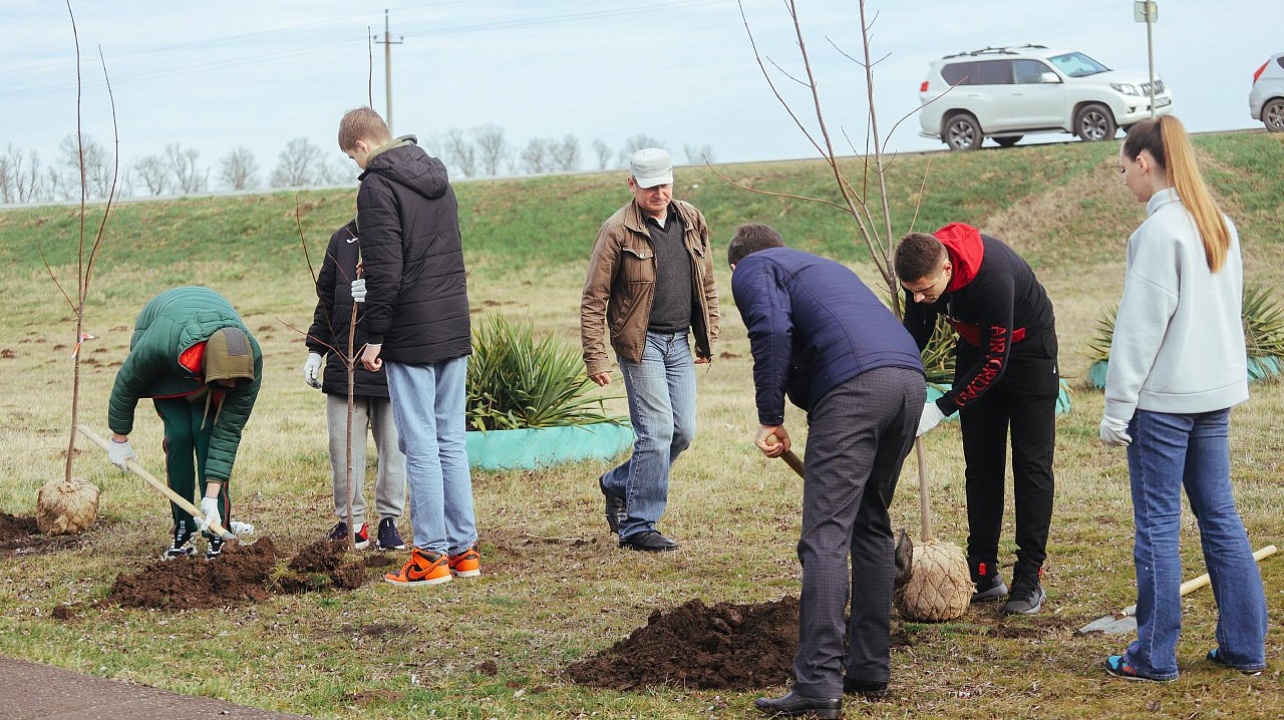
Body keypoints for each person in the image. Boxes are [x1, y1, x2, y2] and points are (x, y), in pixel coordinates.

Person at [728, 224, 924, 718]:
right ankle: (869, 668)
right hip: (907, 383)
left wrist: (770, 416)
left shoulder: (754, 266)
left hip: (855, 389)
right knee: (870, 523)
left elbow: (771, 331)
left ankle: (817, 681)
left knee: (825, 536)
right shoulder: (821, 265)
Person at [1100, 115, 1266, 682]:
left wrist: (1116, 409)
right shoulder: (1217, 222)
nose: (1124, 180)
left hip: (1164, 402)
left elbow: (1139, 329)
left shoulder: (1158, 232)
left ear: (1144, 163)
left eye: (1124, 168)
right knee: (1220, 517)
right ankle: (1244, 647)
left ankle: (1152, 655)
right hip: (1213, 393)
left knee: (1158, 525)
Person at [337, 106, 478, 586]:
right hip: (452, 323)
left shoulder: (376, 186)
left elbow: (385, 270)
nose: (356, 168)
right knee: (450, 441)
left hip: (411, 332)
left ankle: (430, 556)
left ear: (361, 146)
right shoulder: (437, 175)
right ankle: (464, 552)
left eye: (352, 159)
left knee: (418, 443)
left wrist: (375, 337)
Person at [895, 221, 1059, 615]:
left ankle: (1029, 577)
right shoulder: (920, 269)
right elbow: (915, 330)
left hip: (1027, 352)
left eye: (925, 290)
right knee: (981, 464)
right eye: (912, 290)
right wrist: (896, 369)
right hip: (976, 347)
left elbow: (995, 363)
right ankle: (983, 571)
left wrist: (942, 407)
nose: (919, 299)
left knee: (1031, 465)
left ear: (947, 270)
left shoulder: (992, 277)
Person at [580, 147, 720, 552]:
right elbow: (594, 297)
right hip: (641, 346)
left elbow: (705, 282)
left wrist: (707, 336)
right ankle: (639, 525)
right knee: (656, 432)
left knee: (683, 432)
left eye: (664, 184)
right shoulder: (617, 230)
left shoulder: (691, 219)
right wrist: (595, 355)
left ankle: (619, 482)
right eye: (650, 187)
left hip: (679, 342)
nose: (659, 193)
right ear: (632, 185)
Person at [106, 286, 262, 560]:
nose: (234, 387)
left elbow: (227, 434)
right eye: (227, 384)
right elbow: (127, 381)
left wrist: (211, 498)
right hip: (168, 357)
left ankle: (217, 527)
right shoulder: (158, 344)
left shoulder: (249, 362)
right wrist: (120, 438)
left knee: (206, 433)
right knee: (179, 435)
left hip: (204, 354)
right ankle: (183, 526)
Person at [303, 219, 408, 551]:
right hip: (343, 366)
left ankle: (389, 522)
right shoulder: (342, 240)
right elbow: (326, 302)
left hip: (390, 364)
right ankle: (352, 523)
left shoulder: (402, 236)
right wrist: (316, 350)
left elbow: (414, 298)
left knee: (393, 449)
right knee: (343, 449)